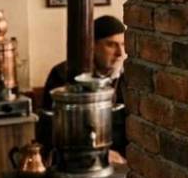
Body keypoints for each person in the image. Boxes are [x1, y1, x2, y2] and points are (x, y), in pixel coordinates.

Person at [43, 14, 128, 154]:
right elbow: (50, 128)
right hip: (77, 156)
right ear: (92, 45)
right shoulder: (62, 75)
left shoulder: (130, 78)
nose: (120, 53)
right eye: (111, 44)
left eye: (123, 44)